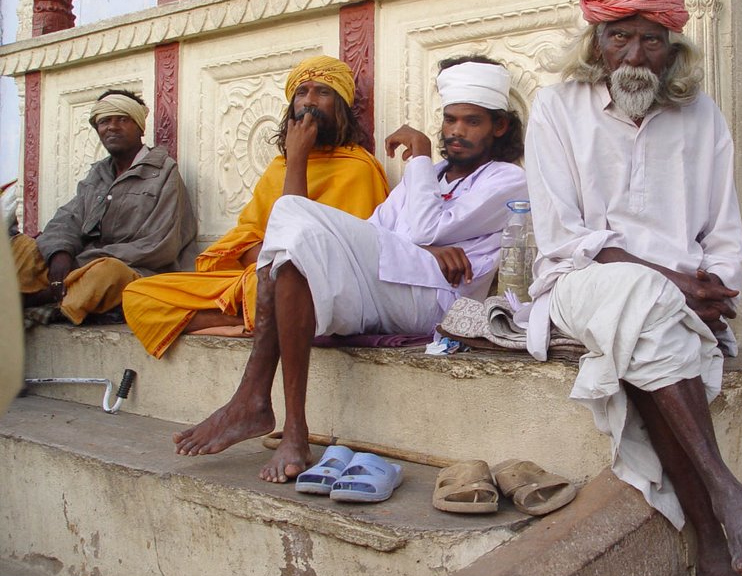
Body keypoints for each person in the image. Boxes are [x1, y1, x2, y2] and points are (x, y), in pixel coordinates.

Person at [522, 0, 742, 576]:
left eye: (652, 38)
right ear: (596, 41)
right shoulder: (557, 108)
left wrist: (713, 287)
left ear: (674, 47)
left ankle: (714, 552)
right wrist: (666, 280)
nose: (635, 54)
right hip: (578, 285)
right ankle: (723, 502)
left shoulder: (701, 116)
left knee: (652, 323)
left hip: (681, 306)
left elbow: (724, 235)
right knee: (645, 305)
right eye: (620, 36)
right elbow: (565, 239)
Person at [171, 56, 528, 483]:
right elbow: (375, 232)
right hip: (395, 281)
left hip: (439, 301)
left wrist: (418, 162)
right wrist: (429, 248)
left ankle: (253, 396)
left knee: (290, 214)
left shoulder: (508, 179)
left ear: (500, 127)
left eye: (472, 122)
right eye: (450, 120)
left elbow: (424, 226)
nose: (455, 132)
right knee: (290, 254)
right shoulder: (431, 178)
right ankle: (289, 425)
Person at [123, 55, 390, 358]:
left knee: (275, 288)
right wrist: (265, 256)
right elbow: (247, 233)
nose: (309, 101)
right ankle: (246, 321)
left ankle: (253, 318)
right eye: (301, 92)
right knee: (138, 294)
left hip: (310, 289)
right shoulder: (279, 167)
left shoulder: (358, 168)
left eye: (323, 92)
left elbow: (327, 255)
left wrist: (298, 158)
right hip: (257, 278)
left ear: (340, 105)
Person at [12, 89, 197, 325]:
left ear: (140, 127)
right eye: (105, 121)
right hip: (83, 265)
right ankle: (52, 298)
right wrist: (61, 254)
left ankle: (46, 301)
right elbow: (68, 219)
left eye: (122, 119)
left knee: (107, 273)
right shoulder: (98, 174)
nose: (112, 127)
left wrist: (85, 261)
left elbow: (160, 246)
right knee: (20, 248)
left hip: (138, 272)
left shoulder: (164, 173)